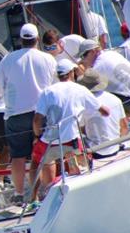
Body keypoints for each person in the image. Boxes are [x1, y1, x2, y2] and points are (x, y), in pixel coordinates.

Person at [0, 23, 56, 204]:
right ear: (36, 39)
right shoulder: (48, 59)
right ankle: (49, 192)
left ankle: (19, 194)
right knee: (45, 153)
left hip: (15, 114)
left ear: (21, 40)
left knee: (17, 156)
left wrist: (4, 92)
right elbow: (54, 85)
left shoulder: (9, 59)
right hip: (41, 113)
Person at [32, 59, 109, 196]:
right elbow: (104, 111)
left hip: (49, 141)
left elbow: (37, 120)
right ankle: (82, 192)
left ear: (58, 75)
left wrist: (38, 136)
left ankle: (37, 197)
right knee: (81, 161)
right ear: (71, 73)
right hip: (72, 141)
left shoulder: (47, 91)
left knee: (36, 163)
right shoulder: (80, 89)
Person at [77, 39, 130, 117]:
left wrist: (79, 72)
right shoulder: (111, 53)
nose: (83, 60)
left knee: (98, 98)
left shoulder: (99, 66)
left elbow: (85, 90)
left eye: (83, 56)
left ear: (93, 52)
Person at [77, 69, 127, 159]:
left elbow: (82, 130)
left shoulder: (84, 104)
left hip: (96, 151)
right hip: (115, 147)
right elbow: (124, 127)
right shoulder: (115, 99)